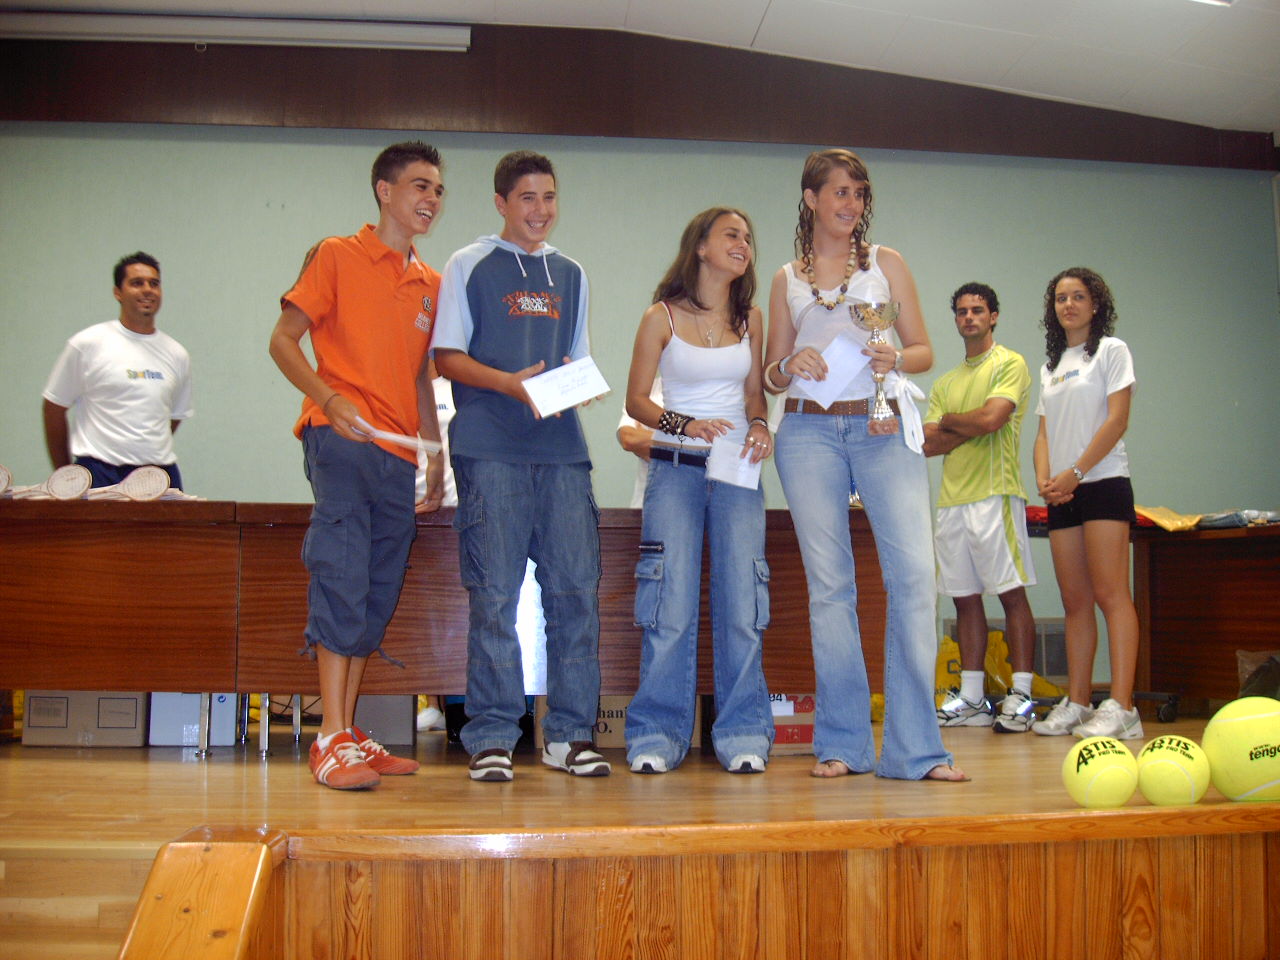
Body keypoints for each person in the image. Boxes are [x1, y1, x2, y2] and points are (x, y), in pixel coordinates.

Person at [763, 148, 966, 782]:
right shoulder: (785, 278)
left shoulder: (885, 263)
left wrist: (894, 358)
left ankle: (916, 750)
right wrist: (787, 365)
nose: (850, 204)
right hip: (806, 433)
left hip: (883, 427)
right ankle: (844, 743)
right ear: (811, 199)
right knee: (830, 589)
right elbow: (769, 373)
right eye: (839, 192)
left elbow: (924, 348)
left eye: (858, 193)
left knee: (914, 578)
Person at [268, 141, 446, 789]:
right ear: (384, 190)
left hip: (399, 455)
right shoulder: (337, 255)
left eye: (438, 190)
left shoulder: (430, 284)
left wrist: (434, 454)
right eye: (419, 186)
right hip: (340, 441)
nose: (431, 199)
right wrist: (328, 398)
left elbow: (422, 377)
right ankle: (330, 737)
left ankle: (346, 732)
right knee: (341, 578)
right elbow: (282, 341)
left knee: (375, 591)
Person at [433, 150, 610, 782]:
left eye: (549, 197)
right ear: (502, 203)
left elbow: (575, 358)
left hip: (563, 453)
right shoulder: (468, 264)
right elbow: (446, 357)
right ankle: (491, 737)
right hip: (490, 450)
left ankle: (570, 735)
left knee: (575, 596)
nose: (541, 210)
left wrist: (577, 384)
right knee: (494, 597)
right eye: (528, 198)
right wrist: (510, 385)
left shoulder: (572, 273)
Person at [623, 207, 775, 775]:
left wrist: (759, 425)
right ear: (702, 247)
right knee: (669, 606)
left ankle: (743, 733)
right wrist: (685, 425)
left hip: (738, 473)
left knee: (742, 606)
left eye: (748, 238)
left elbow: (755, 395)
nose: (743, 244)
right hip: (675, 470)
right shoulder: (659, 316)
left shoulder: (752, 318)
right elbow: (638, 401)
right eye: (732, 234)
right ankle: (656, 735)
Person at [1032, 268, 1142, 740]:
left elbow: (1117, 421)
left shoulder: (1112, 352)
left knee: (1111, 594)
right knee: (1074, 602)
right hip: (1062, 493)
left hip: (1102, 483)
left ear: (1096, 304)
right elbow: (1043, 434)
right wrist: (1046, 478)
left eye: (1078, 296)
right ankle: (1078, 703)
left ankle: (1123, 707)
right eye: (1061, 298)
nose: (1069, 305)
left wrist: (1075, 472)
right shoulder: (1051, 366)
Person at [924, 283, 1038, 733]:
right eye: (961, 311)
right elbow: (928, 443)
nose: (969, 317)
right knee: (964, 599)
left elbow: (993, 419)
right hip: (952, 502)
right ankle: (972, 699)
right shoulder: (945, 382)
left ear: (993, 316)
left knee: (1011, 594)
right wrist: (966, 425)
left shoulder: (1009, 363)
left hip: (996, 494)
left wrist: (952, 421)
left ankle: (1022, 696)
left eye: (977, 310)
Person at [42, 252, 192, 490]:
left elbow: (173, 417)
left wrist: (144, 451)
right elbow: (53, 407)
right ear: (118, 292)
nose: (147, 290)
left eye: (154, 283)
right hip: (99, 473)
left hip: (160, 475)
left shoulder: (177, 353)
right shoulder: (87, 344)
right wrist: (67, 476)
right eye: (137, 283)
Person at [616, 377, 663, 508]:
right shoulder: (646, 390)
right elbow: (628, 439)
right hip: (645, 504)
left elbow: (709, 449)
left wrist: (649, 439)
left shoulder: (711, 392)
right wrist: (685, 441)